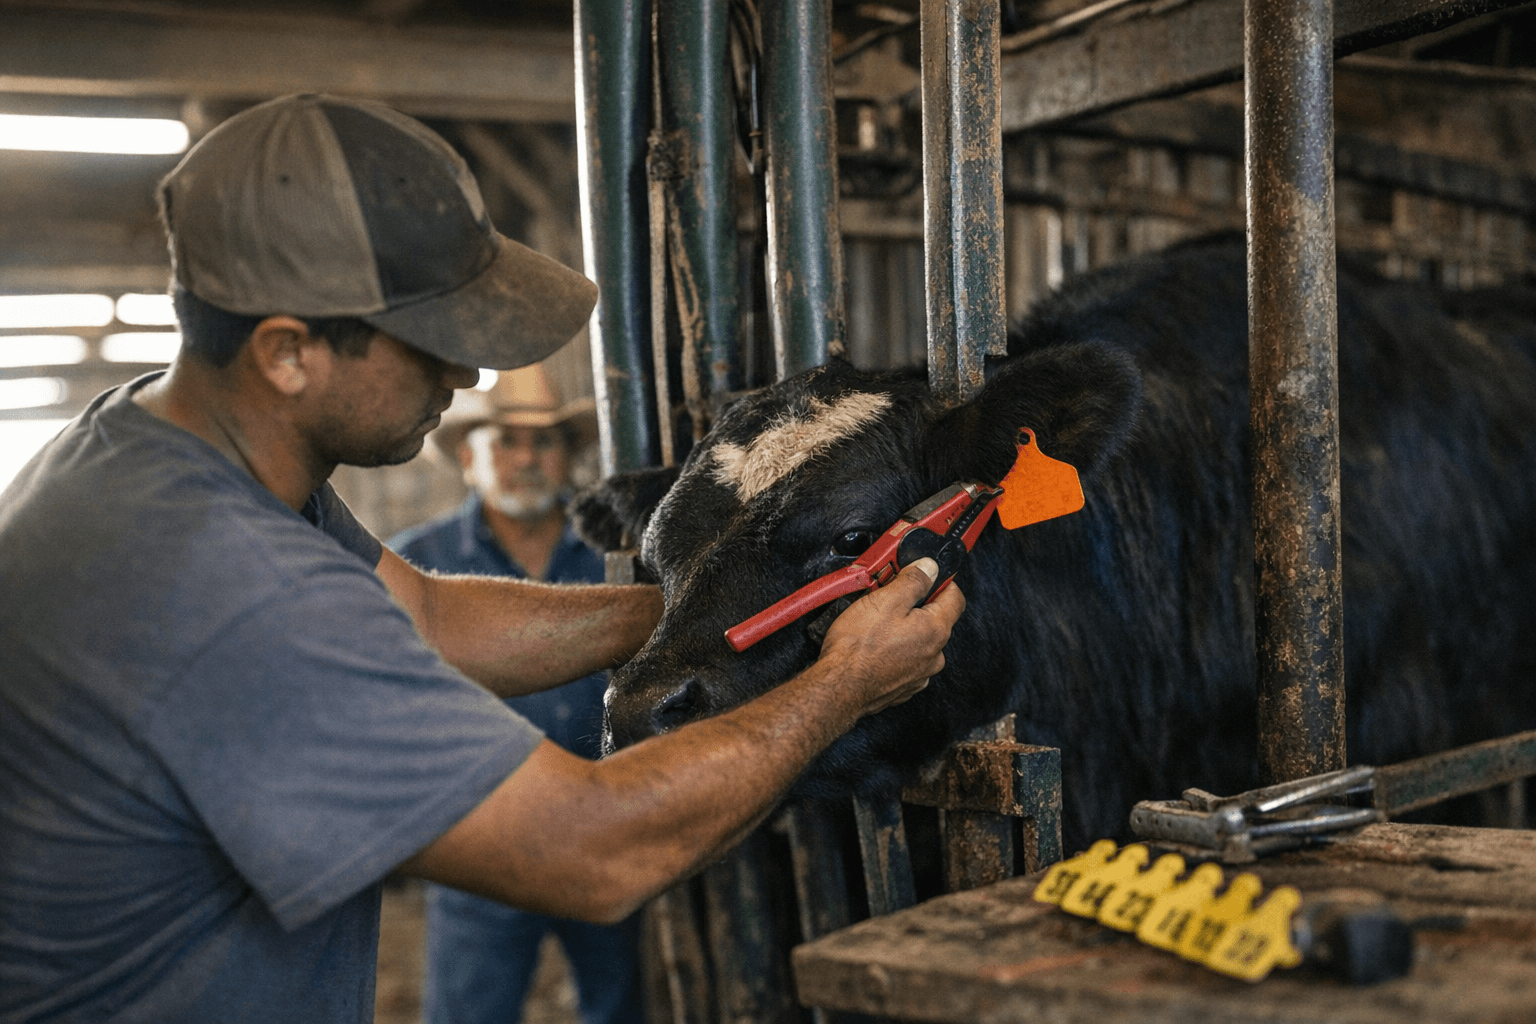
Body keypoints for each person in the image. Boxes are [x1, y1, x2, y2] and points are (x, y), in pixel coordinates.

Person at [0, 93, 962, 1024]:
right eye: (432, 342)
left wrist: (717, 604)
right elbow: (596, 854)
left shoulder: (155, 448)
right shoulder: (232, 591)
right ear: (288, 353)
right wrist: (845, 682)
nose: (464, 375)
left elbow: (427, 619)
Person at [390, 365, 641, 1024]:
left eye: (545, 442)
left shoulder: (618, 558)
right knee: (469, 1013)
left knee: (621, 1006)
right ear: (469, 460)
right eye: (506, 441)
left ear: (568, 457)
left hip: (606, 829)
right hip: (480, 845)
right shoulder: (415, 564)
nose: (526, 458)